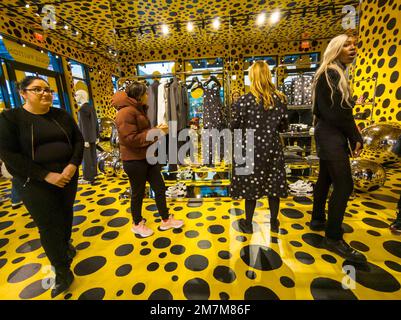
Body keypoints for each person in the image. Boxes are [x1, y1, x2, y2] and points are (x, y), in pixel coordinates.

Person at [0, 76, 84, 297]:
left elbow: (77, 140)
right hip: (33, 182)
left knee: (66, 216)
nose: (46, 93)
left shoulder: (61, 115)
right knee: (48, 225)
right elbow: (9, 155)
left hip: (67, 177)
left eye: (48, 89)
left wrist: (72, 166)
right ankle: (63, 271)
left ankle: (65, 245)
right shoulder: (10, 119)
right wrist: (45, 175)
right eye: (37, 89)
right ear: (23, 93)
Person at [310, 34, 366, 263]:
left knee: (325, 178)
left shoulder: (331, 73)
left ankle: (317, 219)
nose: (352, 48)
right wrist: (355, 135)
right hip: (332, 134)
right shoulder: (331, 73)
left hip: (327, 132)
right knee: (344, 185)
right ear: (335, 49)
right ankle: (332, 237)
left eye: (354, 44)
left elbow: (334, 109)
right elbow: (337, 112)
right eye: (346, 44)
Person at [112, 81, 184, 238]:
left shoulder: (136, 110)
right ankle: (137, 224)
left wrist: (156, 130)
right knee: (138, 193)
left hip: (147, 157)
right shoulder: (125, 113)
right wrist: (157, 131)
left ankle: (165, 219)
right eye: (145, 93)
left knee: (159, 187)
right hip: (134, 160)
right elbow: (130, 139)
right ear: (139, 95)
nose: (147, 96)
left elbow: (141, 132)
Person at [231, 61, 288, 233]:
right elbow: (284, 127)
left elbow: (234, 126)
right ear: (268, 75)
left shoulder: (243, 101)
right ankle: (274, 223)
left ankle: (248, 224)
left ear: (252, 77)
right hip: (272, 148)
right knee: (273, 187)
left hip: (250, 149)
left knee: (251, 188)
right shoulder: (280, 99)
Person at [76, 90, 99, 184]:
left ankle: (87, 177)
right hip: (93, 137)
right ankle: (94, 174)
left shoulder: (82, 109)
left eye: (76, 95)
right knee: (93, 156)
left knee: (86, 158)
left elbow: (83, 126)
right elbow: (96, 123)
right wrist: (97, 136)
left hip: (86, 138)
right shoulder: (90, 107)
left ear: (81, 96)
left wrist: (85, 140)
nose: (75, 97)